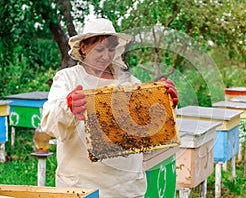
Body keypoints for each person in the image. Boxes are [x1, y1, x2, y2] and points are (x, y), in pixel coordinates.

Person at [41, 18, 178, 197]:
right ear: (83, 47)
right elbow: (49, 122)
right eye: (99, 49)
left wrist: (165, 106)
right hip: (81, 186)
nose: (106, 56)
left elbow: (147, 130)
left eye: (111, 49)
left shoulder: (130, 82)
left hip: (126, 187)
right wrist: (68, 106)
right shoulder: (67, 79)